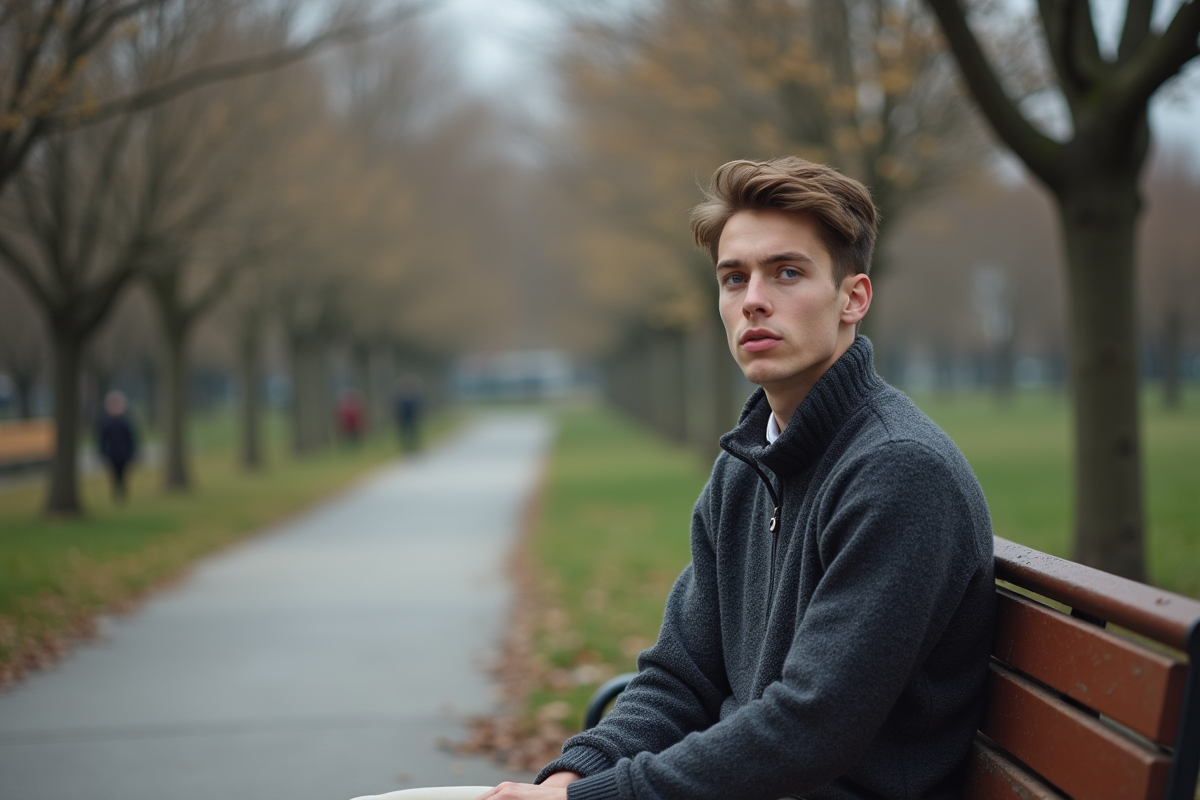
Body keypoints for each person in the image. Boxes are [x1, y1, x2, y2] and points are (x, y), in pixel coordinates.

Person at [477, 157, 996, 800]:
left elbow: (809, 729)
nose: (752, 300)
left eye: (787, 272)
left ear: (854, 297)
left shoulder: (899, 472)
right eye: (733, 278)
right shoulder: (748, 465)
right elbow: (681, 678)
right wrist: (574, 775)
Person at [96, 390, 137, 502]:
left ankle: (122, 493)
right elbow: (102, 439)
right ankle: (116, 493)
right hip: (112, 454)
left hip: (124, 453)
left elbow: (131, 439)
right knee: (114, 474)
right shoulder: (106, 422)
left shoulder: (125, 421)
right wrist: (102, 453)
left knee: (122, 474)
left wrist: (132, 453)